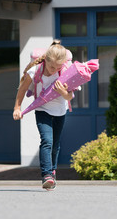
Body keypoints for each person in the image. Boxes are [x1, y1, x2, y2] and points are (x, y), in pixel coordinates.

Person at [13, 40, 74, 190]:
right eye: (52, 66)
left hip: (60, 111)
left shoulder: (65, 70)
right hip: (42, 110)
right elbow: (22, 89)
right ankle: (46, 175)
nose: (54, 70)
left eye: (57, 67)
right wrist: (17, 108)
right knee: (47, 140)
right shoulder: (35, 71)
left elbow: (69, 97)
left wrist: (63, 92)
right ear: (46, 60)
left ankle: (52, 171)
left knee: (55, 144)